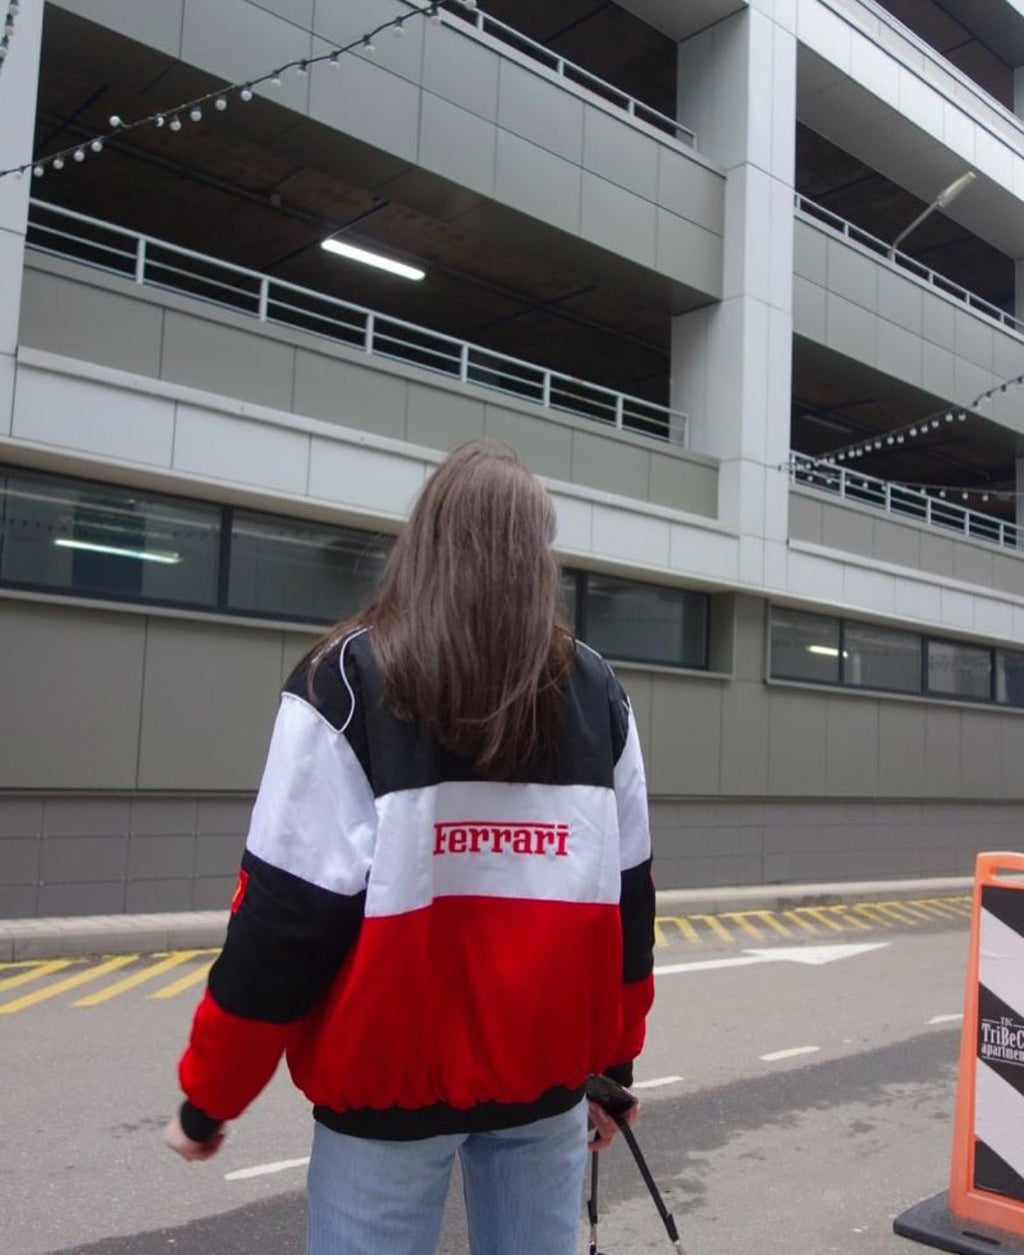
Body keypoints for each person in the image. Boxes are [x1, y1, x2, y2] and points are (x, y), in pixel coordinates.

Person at [163, 438, 655, 1255]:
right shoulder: (597, 692)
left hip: (382, 1110)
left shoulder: (344, 683)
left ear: (422, 546)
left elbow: (281, 923)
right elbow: (627, 906)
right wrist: (613, 1067)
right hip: (546, 1096)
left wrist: (209, 1097)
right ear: (541, 560)